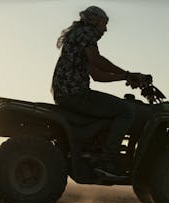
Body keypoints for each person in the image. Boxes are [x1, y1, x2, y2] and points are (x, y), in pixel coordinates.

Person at [51, 6, 149, 178]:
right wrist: (128, 74)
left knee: (116, 108)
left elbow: (97, 75)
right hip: (75, 93)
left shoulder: (79, 35)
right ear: (94, 21)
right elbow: (97, 60)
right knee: (126, 110)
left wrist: (124, 78)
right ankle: (107, 161)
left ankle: (97, 152)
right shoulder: (86, 33)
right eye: (104, 24)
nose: (105, 29)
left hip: (67, 93)